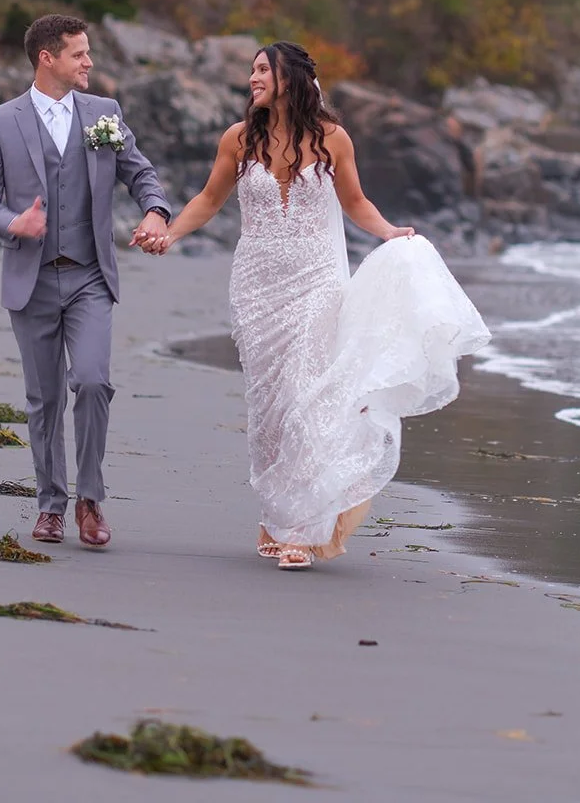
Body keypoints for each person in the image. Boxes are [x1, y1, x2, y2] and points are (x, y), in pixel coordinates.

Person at [144, 41, 488, 569]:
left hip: (318, 281)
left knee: (307, 397)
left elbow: (355, 203)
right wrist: (169, 233)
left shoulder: (334, 138)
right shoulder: (238, 139)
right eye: (252, 70)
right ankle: (274, 514)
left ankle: (301, 531)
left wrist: (390, 231)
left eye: (262, 70)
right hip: (257, 286)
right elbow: (210, 199)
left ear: (291, 78)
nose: (252, 78)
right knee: (270, 408)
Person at [0, 14, 171, 549]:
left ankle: (90, 499)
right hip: (30, 282)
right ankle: (51, 505)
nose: (89, 63)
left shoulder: (105, 113)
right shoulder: (0, 121)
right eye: (79, 54)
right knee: (45, 399)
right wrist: (14, 222)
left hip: (89, 278)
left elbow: (140, 171)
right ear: (47, 58)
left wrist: (154, 210)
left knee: (95, 381)